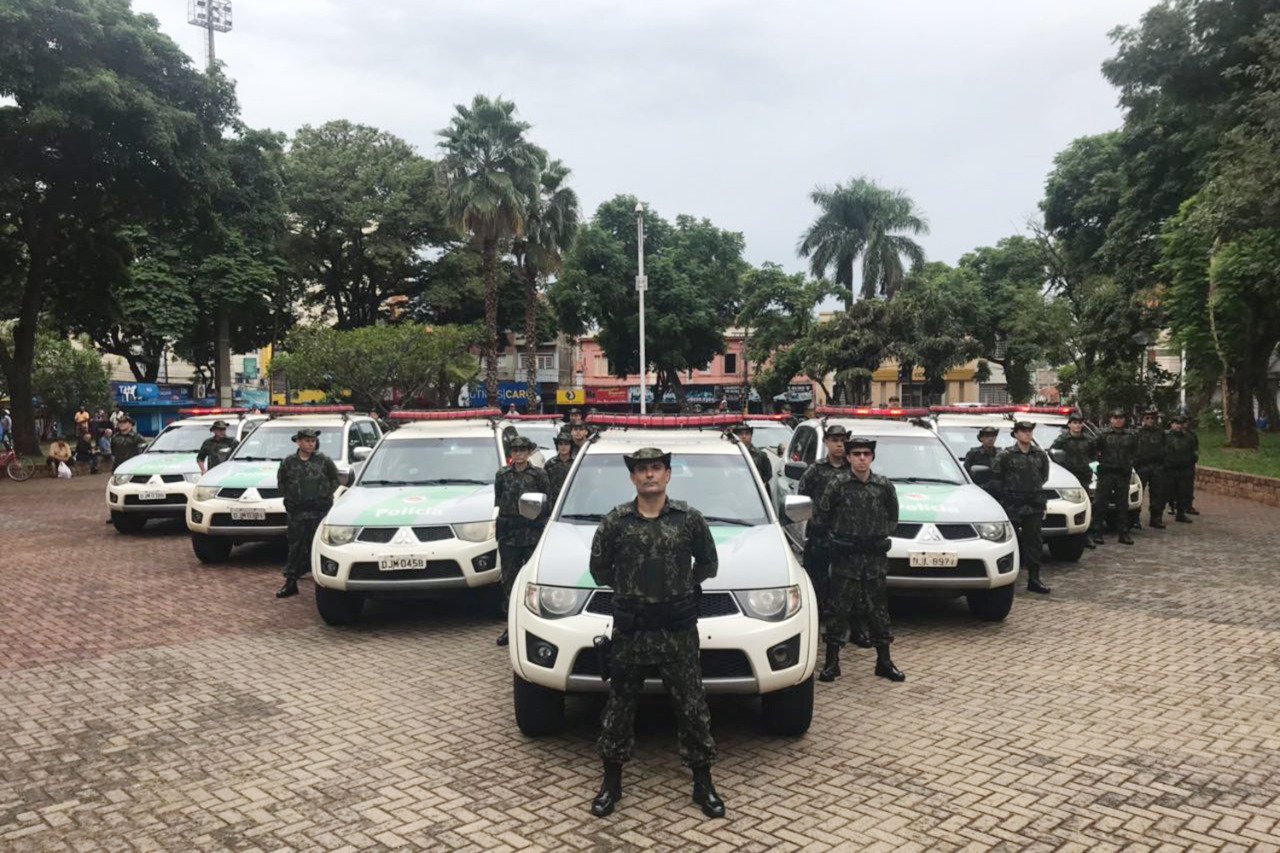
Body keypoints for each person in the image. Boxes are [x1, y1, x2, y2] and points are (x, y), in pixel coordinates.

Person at [589, 447, 723, 819]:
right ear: (633, 477)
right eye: (642, 469)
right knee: (619, 708)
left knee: (692, 708)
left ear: (668, 474)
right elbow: (599, 570)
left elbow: (709, 564)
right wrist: (631, 591)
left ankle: (703, 782)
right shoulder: (616, 522)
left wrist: (681, 588)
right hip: (632, 631)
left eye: (656, 468)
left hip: (676, 630)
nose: (649, 475)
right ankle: (611, 783)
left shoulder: (689, 519)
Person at [817, 436, 903, 682]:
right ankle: (832, 663)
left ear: (872, 457)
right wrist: (837, 539)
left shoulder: (883, 486)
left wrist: (876, 537)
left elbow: (893, 519)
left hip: (874, 559)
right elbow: (822, 517)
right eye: (857, 454)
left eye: (866, 454)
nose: (862, 458)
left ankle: (884, 662)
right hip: (846, 559)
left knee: (878, 611)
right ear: (849, 457)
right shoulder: (838, 485)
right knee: (838, 611)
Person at [795, 424, 858, 639]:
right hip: (820, 536)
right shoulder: (815, 470)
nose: (839, 444)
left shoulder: (854, 470)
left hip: (847, 535)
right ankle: (817, 620)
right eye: (834, 440)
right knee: (817, 579)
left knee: (846, 581)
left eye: (842, 440)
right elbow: (802, 499)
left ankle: (845, 622)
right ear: (826, 442)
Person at [493, 435, 550, 646]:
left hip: (531, 533)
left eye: (523, 450)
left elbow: (547, 502)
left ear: (528, 452)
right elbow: (498, 500)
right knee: (509, 582)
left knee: (534, 581)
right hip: (509, 535)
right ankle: (511, 627)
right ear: (511, 453)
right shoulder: (502, 475)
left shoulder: (539, 475)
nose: (519, 454)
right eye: (515, 450)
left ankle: (535, 627)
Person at [276, 428, 340, 599]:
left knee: (319, 547)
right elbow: (281, 482)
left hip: (318, 512)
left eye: (313, 441)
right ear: (298, 442)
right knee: (295, 546)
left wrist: (325, 495)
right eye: (307, 441)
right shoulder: (288, 462)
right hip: (297, 513)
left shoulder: (323, 461)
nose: (311, 444)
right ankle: (290, 582)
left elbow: (335, 479)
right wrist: (290, 498)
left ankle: (325, 584)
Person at [989, 421, 1051, 594]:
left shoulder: (1039, 454)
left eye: (1029, 431)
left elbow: (1044, 476)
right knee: (1010, 541)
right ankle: (1008, 579)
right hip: (1012, 504)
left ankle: (1034, 579)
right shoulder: (1005, 455)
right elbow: (996, 478)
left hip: (1033, 504)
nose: (1027, 434)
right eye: (1023, 431)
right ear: (1015, 434)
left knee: (1034, 541)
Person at [1050, 413, 1100, 547]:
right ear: (1069, 424)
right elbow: (1054, 454)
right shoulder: (1062, 440)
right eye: (1075, 423)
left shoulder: (1089, 440)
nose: (1077, 425)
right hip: (1068, 478)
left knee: (1088, 505)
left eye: (1079, 423)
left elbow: (1094, 456)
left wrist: (1092, 468)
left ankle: (1087, 534)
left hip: (1084, 476)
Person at [1094, 409, 1136, 545]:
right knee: (1101, 504)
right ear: (1110, 419)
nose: (1118, 420)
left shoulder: (1130, 436)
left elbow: (1136, 451)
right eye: (1115, 417)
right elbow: (1093, 450)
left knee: (1123, 505)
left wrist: (1129, 464)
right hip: (1106, 473)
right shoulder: (1102, 435)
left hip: (1122, 474)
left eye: (1121, 417)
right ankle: (1097, 533)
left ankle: (1123, 533)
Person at [1133, 408, 1168, 530]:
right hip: (1142, 466)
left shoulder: (1161, 433)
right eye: (1147, 418)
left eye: (1152, 418)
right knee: (1138, 494)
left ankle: (1156, 518)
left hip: (1157, 466)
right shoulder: (1137, 433)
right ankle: (1134, 519)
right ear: (1143, 419)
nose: (1150, 420)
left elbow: (1166, 448)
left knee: (1158, 494)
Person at [1164, 415, 1197, 523]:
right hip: (1170, 468)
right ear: (1172, 424)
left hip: (1184, 468)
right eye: (1176, 423)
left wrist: (1191, 461)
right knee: (1168, 491)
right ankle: (1168, 508)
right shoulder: (1166, 437)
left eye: (1180, 423)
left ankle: (1181, 513)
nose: (1178, 426)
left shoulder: (1189, 437)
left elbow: (1193, 451)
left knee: (1183, 492)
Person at [543, 430, 575, 503]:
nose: (563, 447)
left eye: (566, 444)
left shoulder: (575, 463)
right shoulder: (550, 464)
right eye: (560, 444)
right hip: (553, 501)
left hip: (571, 499)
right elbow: (544, 484)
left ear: (571, 446)